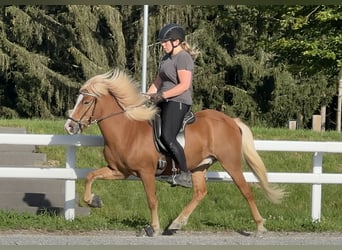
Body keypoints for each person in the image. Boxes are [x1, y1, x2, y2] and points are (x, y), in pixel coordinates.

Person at [147, 23, 198, 188]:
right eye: (161, 42)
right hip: (164, 99)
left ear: (176, 41)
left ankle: (184, 174)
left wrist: (162, 95)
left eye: (164, 42)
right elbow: (157, 82)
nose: (162, 45)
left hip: (178, 101)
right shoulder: (165, 59)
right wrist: (145, 97)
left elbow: (184, 85)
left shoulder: (183, 57)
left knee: (167, 136)